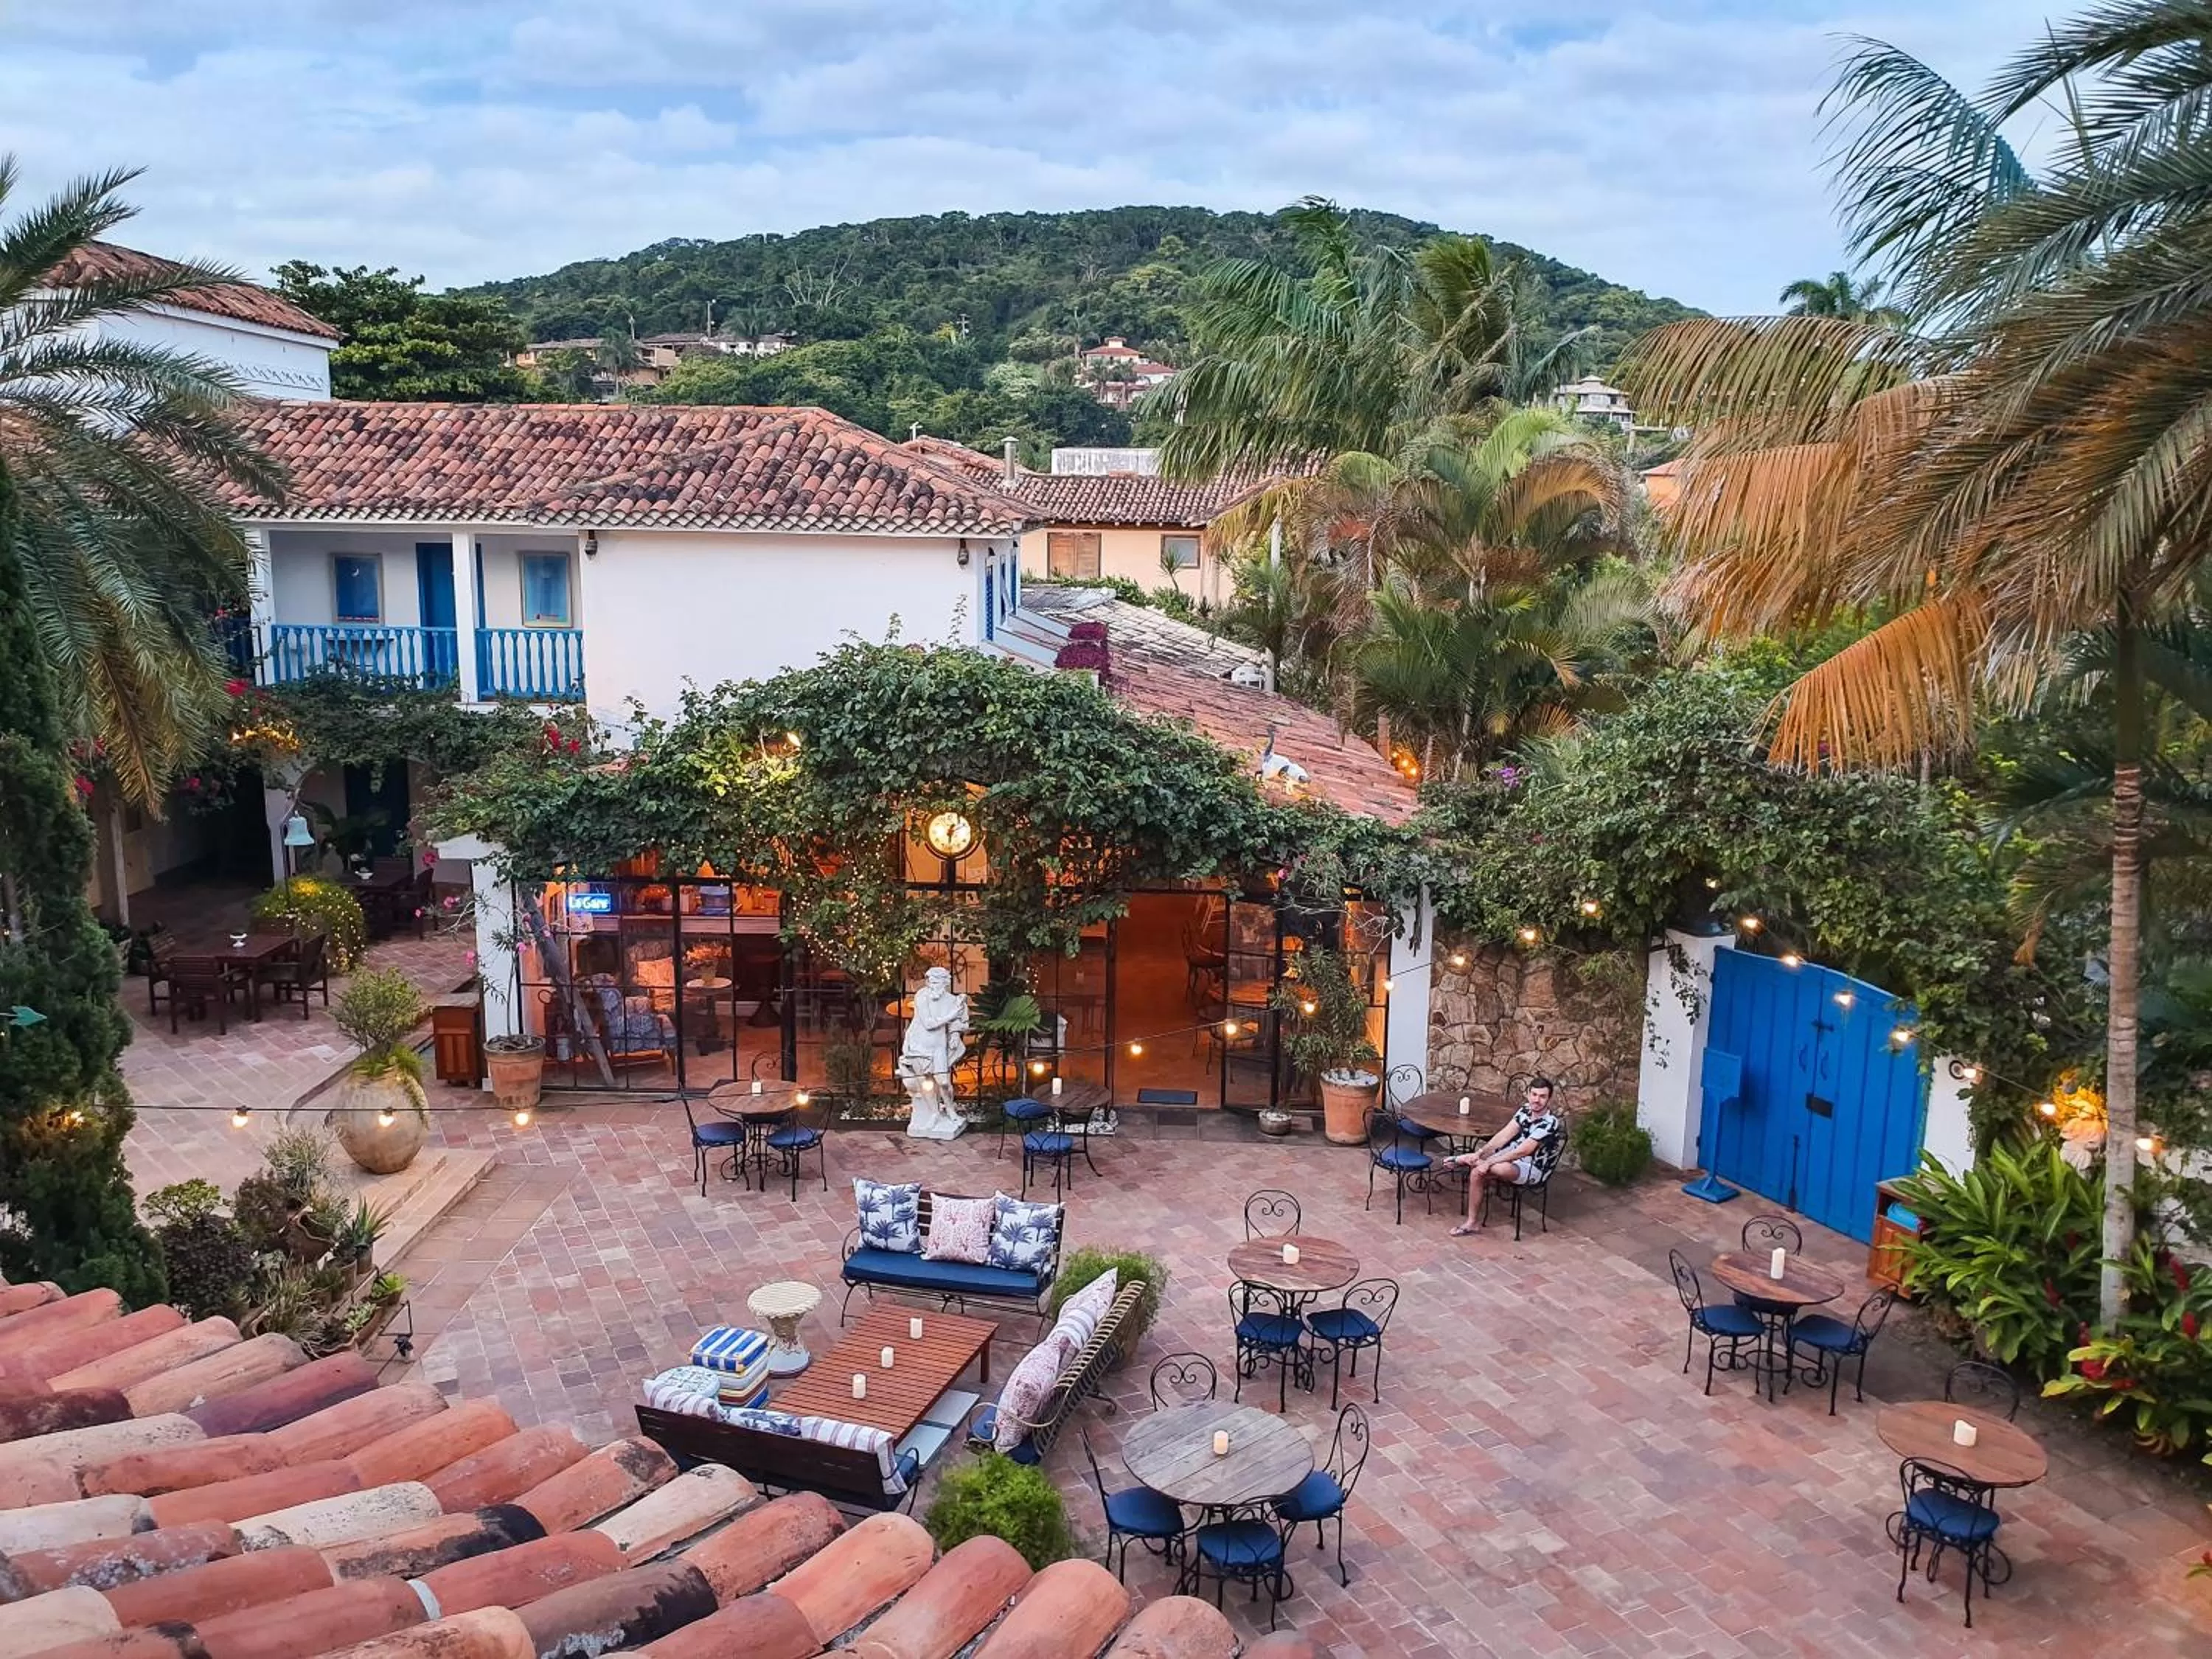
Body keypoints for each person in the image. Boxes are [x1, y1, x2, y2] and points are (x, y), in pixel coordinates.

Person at [1447, 1077, 1563, 1237]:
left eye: (1542, 1096)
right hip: (1511, 1159)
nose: (1537, 1100)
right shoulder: (1524, 1111)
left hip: (1534, 1169)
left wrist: (1489, 1162)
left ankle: (1464, 1160)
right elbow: (1504, 1135)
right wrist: (1481, 1153)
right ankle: (1472, 1223)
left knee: (1493, 1167)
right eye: (1534, 1095)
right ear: (1528, 1094)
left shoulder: (1550, 1123)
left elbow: (1523, 1151)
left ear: (1549, 1099)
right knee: (1477, 1172)